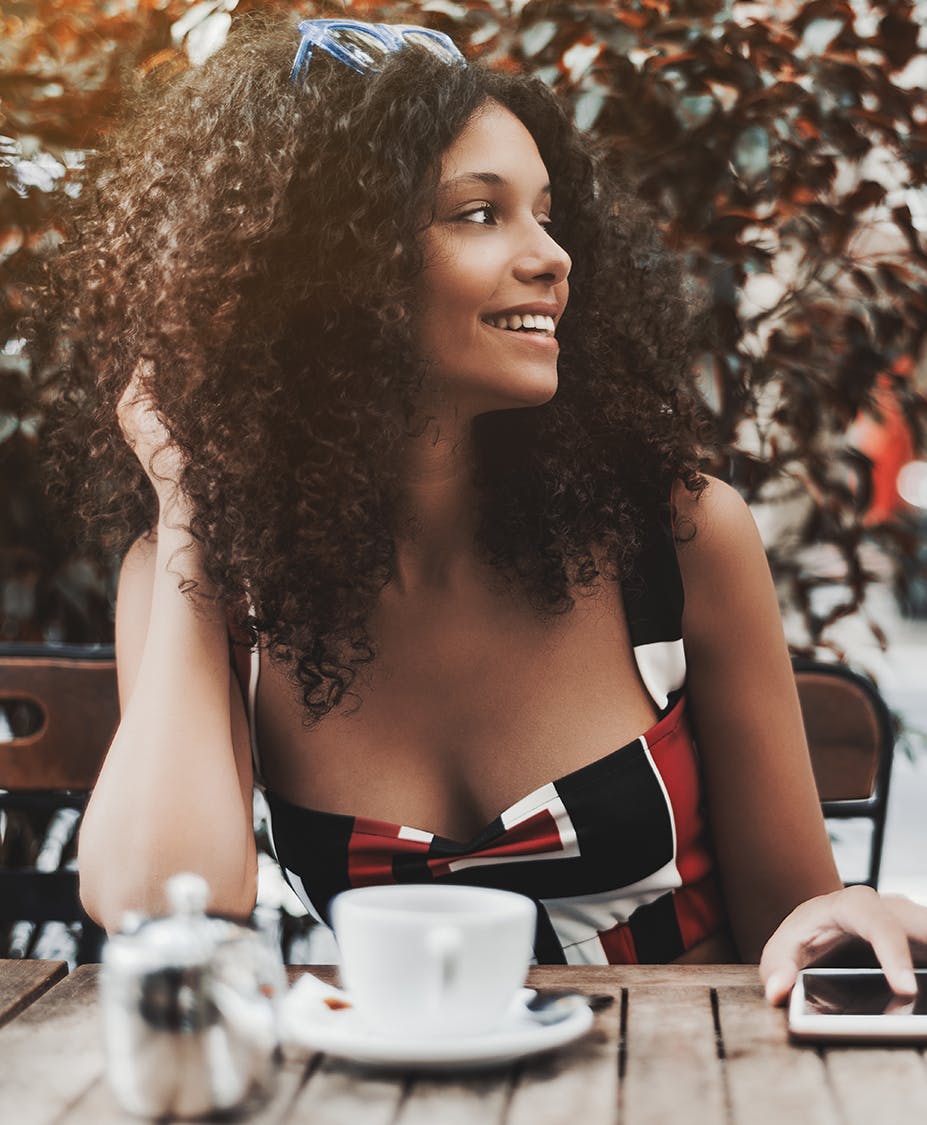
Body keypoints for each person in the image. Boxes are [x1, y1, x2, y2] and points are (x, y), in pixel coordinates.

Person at [41, 13, 926, 1005]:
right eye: (477, 213)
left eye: (546, 212)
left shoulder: (673, 539)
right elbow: (160, 905)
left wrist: (855, 912)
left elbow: (793, 926)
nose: (552, 256)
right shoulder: (205, 574)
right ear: (327, 273)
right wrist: (195, 513)